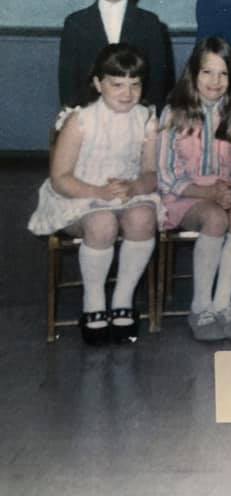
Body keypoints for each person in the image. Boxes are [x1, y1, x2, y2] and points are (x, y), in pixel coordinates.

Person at [29, 44, 162, 345]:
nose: (127, 93)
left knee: (143, 218)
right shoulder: (80, 121)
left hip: (126, 195)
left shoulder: (146, 119)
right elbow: (60, 178)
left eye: (135, 84)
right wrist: (98, 192)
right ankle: (94, 302)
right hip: (79, 196)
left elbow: (151, 173)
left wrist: (134, 187)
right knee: (103, 223)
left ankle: (123, 300)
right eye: (117, 84)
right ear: (98, 84)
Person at [158, 37, 231, 342]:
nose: (215, 81)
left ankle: (223, 304)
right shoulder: (175, 112)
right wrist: (209, 194)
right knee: (216, 218)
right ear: (193, 72)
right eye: (207, 72)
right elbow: (167, 175)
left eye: (223, 74)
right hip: (186, 196)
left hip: (230, 189)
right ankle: (201, 307)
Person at [59, 0, 172, 109]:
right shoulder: (75, 23)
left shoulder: (149, 23)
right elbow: (68, 82)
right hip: (89, 114)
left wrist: (148, 116)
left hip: (136, 113)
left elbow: (158, 80)